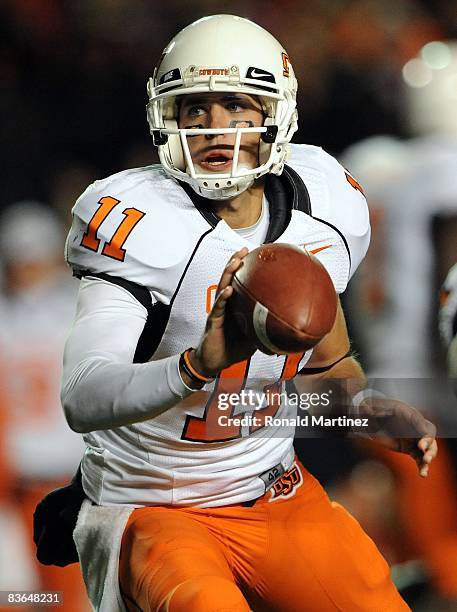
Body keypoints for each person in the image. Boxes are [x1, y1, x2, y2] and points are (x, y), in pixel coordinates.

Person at [57, 15, 436, 612]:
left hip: (271, 490)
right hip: (155, 505)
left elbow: (324, 373)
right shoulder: (138, 221)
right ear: (167, 120)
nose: (215, 128)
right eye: (194, 109)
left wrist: (362, 412)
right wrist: (194, 366)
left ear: (274, 114)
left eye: (235, 106)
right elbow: (82, 395)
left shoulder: (323, 207)